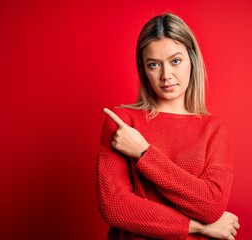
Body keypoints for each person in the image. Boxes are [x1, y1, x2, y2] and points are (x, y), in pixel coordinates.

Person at [96, 12, 240, 240]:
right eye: (154, 64)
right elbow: (116, 207)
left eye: (175, 61)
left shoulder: (215, 128)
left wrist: (144, 153)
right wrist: (199, 226)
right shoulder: (122, 123)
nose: (166, 75)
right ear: (143, 69)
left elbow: (211, 205)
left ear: (192, 60)